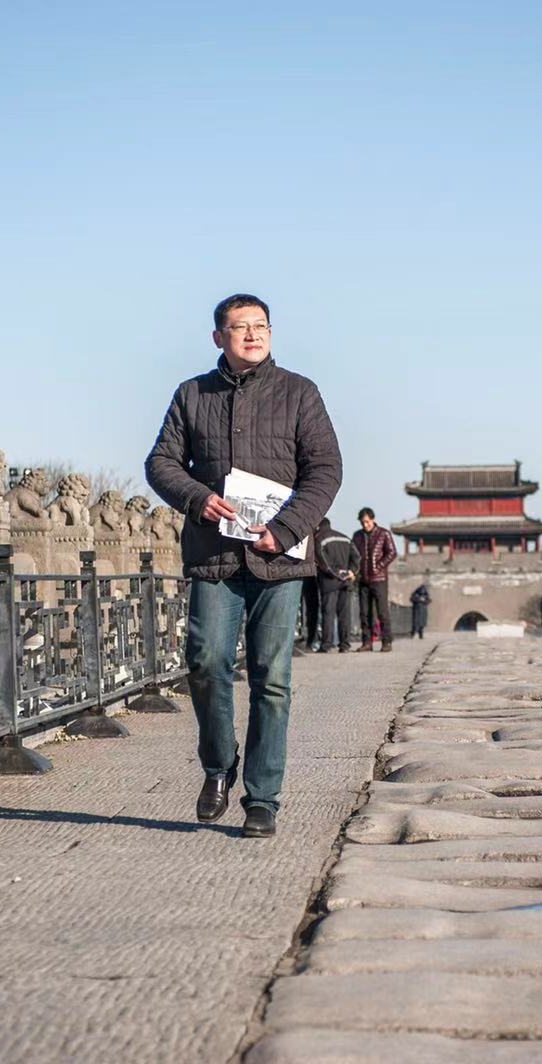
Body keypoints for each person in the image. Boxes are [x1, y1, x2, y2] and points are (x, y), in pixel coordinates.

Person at [146, 293, 342, 839]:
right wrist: (196, 497)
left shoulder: (300, 392)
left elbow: (325, 469)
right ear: (219, 337)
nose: (252, 335)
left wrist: (286, 530)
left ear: (271, 333)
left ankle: (263, 798)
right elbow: (161, 462)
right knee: (206, 662)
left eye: (261, 326)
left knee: (271, 679)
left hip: (278, 559)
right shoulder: (192, 394)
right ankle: (218, 765)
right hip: (215, 555)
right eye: (240, 327)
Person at [351, 507, 396, 652]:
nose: (365, 525)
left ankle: (386, 641)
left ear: (373, 519)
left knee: (382, 612)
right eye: (362, 522)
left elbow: (392, 552)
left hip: (379, 579)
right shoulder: (357, 536)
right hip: (363, 579)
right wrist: (355, 571)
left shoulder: (384, 534)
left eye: (367, 522)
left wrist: (379, 566)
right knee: (364, 613)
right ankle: (367, 642)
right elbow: (354, 555)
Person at [314, 517, 358, 652]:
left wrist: (337, 574)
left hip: (329, 582)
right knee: (345, 614)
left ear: (318, 526)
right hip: (346, 582)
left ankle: (326, 645)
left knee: (328, 613)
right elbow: (357, 556)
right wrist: (351, 571)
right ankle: (345, 645)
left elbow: (324, 563)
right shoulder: (345, 538)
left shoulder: (319, 539)